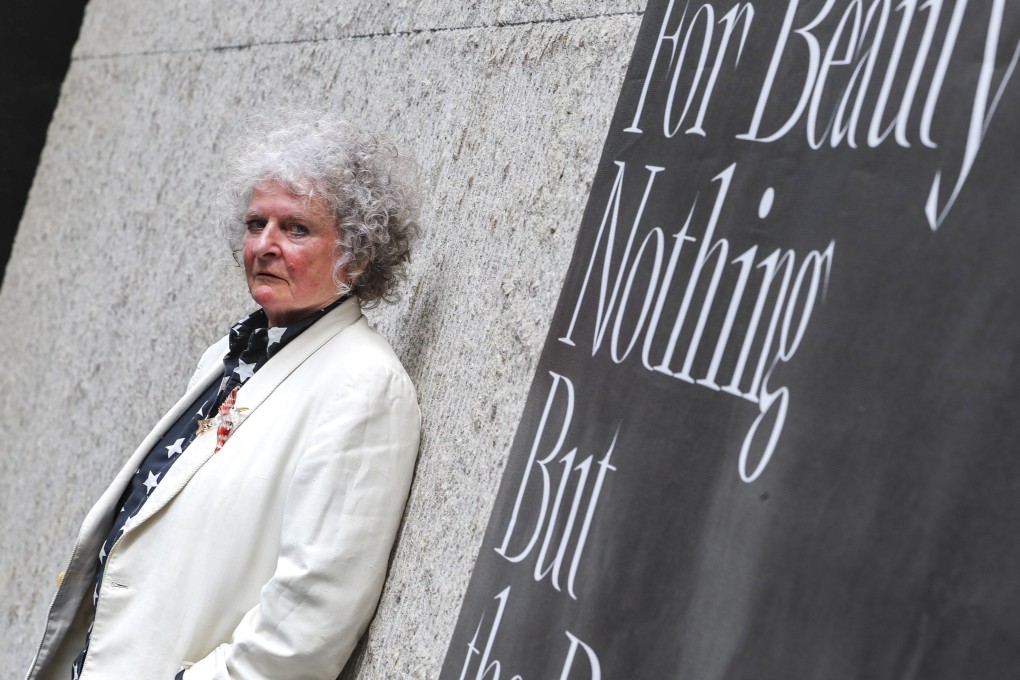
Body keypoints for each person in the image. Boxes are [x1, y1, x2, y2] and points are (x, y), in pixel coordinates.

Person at [25, 110, 423, 680]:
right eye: (255, 222)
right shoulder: (229, 353)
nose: (264, 245)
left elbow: (307, 626)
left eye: (296, 229)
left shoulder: (362, 385)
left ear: (355, 256)